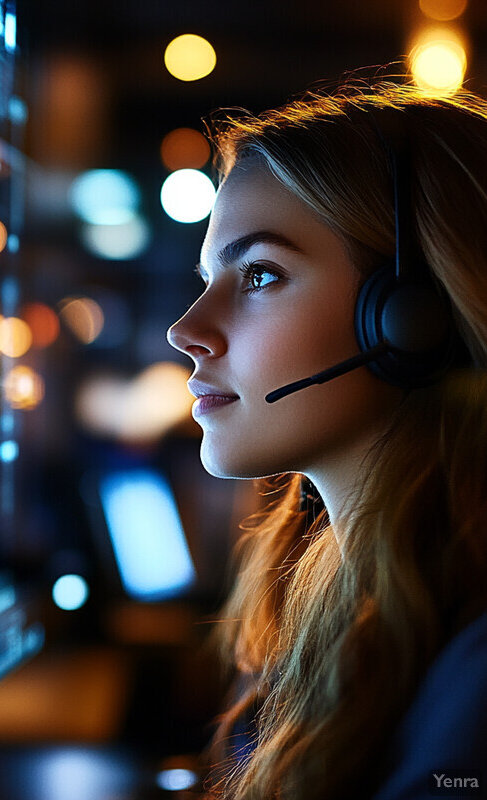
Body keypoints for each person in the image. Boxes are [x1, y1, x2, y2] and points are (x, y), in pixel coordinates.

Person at [167, 79, 487, 799]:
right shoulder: (351, 603)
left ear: (410, 315)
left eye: (259, 274)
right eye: (208, 276)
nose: (185, 331)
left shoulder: (473, 677)